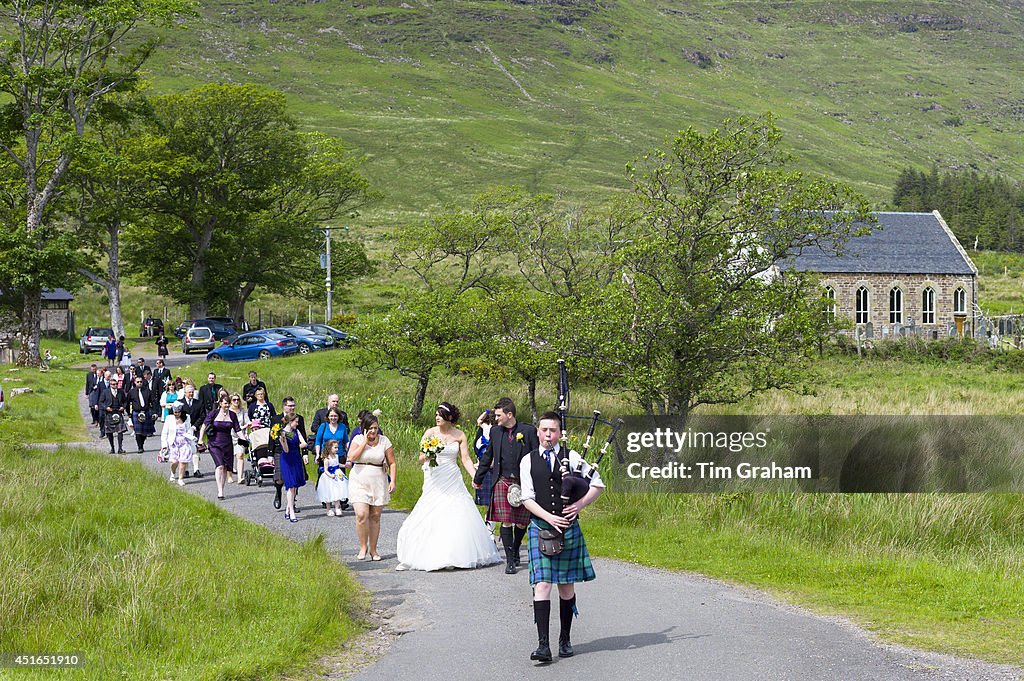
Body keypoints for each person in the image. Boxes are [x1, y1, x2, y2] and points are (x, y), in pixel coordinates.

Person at [520, 412, 605, 662]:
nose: (548, 435)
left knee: (566, 588)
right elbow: (527, 497)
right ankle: (543, 646)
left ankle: (565, 638)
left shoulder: (573, 456)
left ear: (560, 433)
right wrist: (548, 516)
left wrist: (579, 506)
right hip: (540, 526)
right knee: (543, 584)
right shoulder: (528, 460)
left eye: (553, 430)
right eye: (544, 430)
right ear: (537, 431)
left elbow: (597, 485)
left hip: (568, 528)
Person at [396, 403, 500, 571]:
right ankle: (429, 553)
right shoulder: (430, 433)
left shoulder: (460, 435)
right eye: (436, 414)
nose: (437, 417)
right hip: (435, 477)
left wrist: (476, 477)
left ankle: (456, 554)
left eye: (441, 415)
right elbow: (421, 458)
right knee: (432, 509)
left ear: (449, 417)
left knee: (456, 510)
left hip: (452, 476)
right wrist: (430, 453)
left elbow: (465, 459)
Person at [472, 397, 538, 574]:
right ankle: (510, 561)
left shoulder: (528, 431)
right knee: (507, 521)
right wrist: (478, 478)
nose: (495, 418)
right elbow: (488, 457)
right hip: (502, 480)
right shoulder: (495, 432)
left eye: (499, 415)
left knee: (522, 522)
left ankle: (515, 549)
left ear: (509, 415)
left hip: (524, 482)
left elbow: (536, 457)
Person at [347, 413, 396, 561]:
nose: (373, 431)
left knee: (375, 516)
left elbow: (392, 462)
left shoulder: (384, 441)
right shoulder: (357, 440)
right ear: (364, 429)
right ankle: (363, 546)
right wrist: (364, 442)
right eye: (370, 429)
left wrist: (392, 481)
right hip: (359, 480)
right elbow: (351, 457)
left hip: (378, 480)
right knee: (362, 514)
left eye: (375, 428)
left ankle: (373, 549)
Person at [199, 394, 244, 500]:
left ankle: (222, 489)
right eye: (225, 403)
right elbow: (204, 426)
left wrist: (244, 440)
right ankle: (219, 490)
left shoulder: (232, 415)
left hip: (227, 444)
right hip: (214, 443)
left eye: (228, 403)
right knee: (219, 465)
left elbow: (237, 429)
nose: (227, 405)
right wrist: (200, 439)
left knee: (225, 467)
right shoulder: (214, 413)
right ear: (220, 404)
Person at [269, 396, 306, 511]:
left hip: (294, 451)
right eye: (290, 405)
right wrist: (270, 454)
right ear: (284, 406)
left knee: (294, 479)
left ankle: (292, 504)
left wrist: (304, 453)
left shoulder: (298, 419)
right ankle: (278, 491)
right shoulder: (276, 419)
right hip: (280, 451)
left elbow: (302, 436)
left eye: (293, 405)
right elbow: (271, 437)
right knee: (280, 477)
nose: (292, 408)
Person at [277, 413, 308, 522]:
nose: (297, 423)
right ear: (290, 422)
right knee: (290, 485)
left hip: (296, 457)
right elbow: (286, 450)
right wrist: (284, 440)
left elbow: (304, 443)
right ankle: (292, 512)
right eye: (296, 422)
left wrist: (296, 446)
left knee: (295, 486)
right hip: (287, 460)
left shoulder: (295, 432)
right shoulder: (283, 434)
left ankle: (287, 509)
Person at [161, 404, 196, 487]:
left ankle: (180, 478)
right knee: (174, 461)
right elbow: (164, 432)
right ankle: (172, 473)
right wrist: (164, 444)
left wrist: (191, 437)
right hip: (173, 442)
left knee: (183, 460)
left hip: (184, 441)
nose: (176, 414)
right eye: (175, 412)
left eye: (178, 412)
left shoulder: (186, 417)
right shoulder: (169, 418)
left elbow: (189, 429)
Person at [316, 440, 349, 517]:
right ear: (329, 448)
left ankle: (337, 508)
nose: (337, 449)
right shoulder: (326, 459)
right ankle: (328, 509)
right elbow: (325, 470)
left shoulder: (336, 456)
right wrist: (330, 476)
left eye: (337, 447)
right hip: (329, 477)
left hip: (337, 475)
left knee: (337, 491)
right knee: (328, 492)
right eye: (335, 447)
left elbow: (337, 464)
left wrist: (344, 466)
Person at [178, 385, 205, 478]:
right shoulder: (179, 403)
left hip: (195, 429)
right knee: (184, 450)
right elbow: (175, 416)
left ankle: (196, 470)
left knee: (195, 450)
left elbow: (202, 416)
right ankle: (185, 470)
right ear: (185, 393)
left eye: (192, 392)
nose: (191, 394)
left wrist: (194, 426)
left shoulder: (199, 403)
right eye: (189, 392)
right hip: (183, 430)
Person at [314, 407, 349, 479]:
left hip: (339, 456)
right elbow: (318, 441)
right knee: (324, 478)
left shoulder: (342, 427)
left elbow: (346, 441)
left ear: (339, 417)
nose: (333, 418)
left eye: (335, 416)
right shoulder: (323, 426)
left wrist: (350, 455)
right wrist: (317, 454)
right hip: (326, 457)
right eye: (331, 416)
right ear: (328, 417)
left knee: (339, 479)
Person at [97, 379, 129, 454]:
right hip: (109, 413)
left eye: (116, 384)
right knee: (109, 432)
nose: (115, 385)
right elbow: (101, 402)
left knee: (120, 431)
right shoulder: (105, 392)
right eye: (113, 384)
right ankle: (112, 448)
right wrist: (106, 407)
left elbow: (125, 401)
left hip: (118, 412)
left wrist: (123, 407)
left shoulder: (121, 391)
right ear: (110, 385)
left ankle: (120, 448)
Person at [473, 409, 496, 509]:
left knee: (491, 503)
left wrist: (486, 412)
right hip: (486, 465)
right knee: (491, 502)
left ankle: (489, 523)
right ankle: (489, 523)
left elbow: (479, 420)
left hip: (488, 465)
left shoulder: (486, 427)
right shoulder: (493, 428)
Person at [128, 375, 157, 454]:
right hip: (136, 413)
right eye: (138, 382)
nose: (139, 383)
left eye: (141, 382)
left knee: (144, 432)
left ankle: (142, 443)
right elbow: (127, 403)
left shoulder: (147, 391)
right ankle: (139, 447)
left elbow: (153, 402)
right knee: (138, 431)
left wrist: (154, 412)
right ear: (135, 382)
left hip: (146, 412)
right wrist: (129, 414)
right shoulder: (132, 392)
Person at [228, 393, 251, 485]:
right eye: (234, 400)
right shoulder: (227, 411)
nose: (236, 401)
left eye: (238, 399)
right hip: (229, 436)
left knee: (240, 455)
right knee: (228, 457)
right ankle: (229, 475)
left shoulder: (243, 411)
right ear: (230, 402)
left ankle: (240, 477)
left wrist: (249, 424)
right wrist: (244, 426)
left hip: (241, 436)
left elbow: (248, 421)